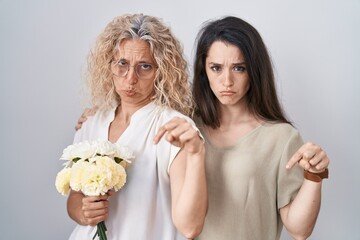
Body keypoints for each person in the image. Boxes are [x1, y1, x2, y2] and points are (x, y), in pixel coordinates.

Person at [75, 15, 330, 240]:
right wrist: (96, 119)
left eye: (239, 68)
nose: (226, 81)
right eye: (216, 68)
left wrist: (314, 176)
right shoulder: (185, 126)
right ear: (203, 71)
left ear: (254, 72)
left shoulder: (281, 138)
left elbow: (299, 229)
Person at [66, 13, 207, 240]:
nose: (130, 78)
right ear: (108, 64)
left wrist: (196, 153)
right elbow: (74, 200)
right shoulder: (91, 123)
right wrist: (85, 211)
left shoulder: (174, 129)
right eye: (122, 64)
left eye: (145, 66)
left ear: (162, 71)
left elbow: (190, 227)